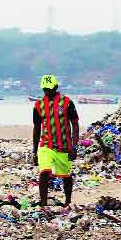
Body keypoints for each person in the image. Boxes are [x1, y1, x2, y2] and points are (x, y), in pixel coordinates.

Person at [32, 75, 79, 207]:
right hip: (46, 144)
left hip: (65, 146)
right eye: (45, 89)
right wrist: (34, 152)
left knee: (66, 175)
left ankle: (68, 201)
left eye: (50, 89)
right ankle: (43, 203)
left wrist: (75, 147)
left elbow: (75, 125)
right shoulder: (38, 105)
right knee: (44, 171)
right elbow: (36, 129)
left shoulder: (67, 103)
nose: (48, 92)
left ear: (56, 87)